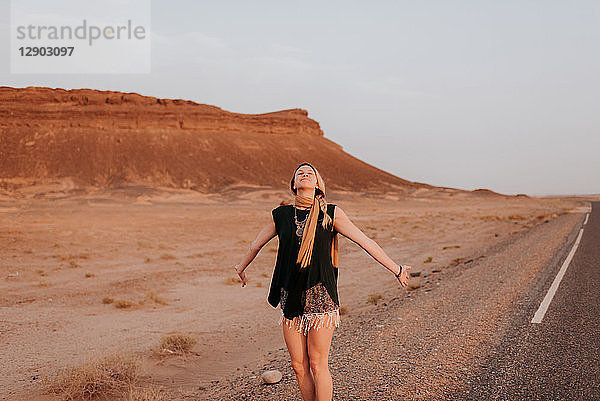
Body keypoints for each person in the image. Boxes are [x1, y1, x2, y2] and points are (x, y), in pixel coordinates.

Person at [234, 162, 412, 401]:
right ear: (294, 184)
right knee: (298, 366)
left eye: (310, 173)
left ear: (318, 184)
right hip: (290, 296)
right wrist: (242, 267)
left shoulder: (331, 213)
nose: (305, 175)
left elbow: (365, 241)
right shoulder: (281, 215)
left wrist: (396, 268)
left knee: (318, 364)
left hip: (320, 295)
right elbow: (256, 244)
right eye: (300, 173)